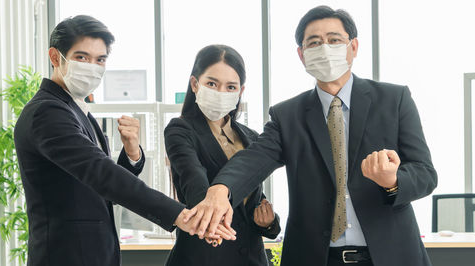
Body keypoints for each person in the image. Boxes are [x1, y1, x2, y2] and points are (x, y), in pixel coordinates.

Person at [186, 6, 438, 266]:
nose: (325, 48)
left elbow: (425, 173)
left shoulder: (394, 100)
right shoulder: (288, 115)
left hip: (390, 256)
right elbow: (254, 159)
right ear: (301, 54)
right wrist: (221, 189)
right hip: (315, 257)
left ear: (353, 47)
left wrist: (392, 181)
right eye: (314, 43)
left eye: (334, 40)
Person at [13, 15, 233, 266]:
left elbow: (100, 185)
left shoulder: (75, 109)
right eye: (82, 57)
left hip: (92, 253)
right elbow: (100, 172)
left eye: (100, 59)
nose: (92, 67)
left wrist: (132, 153)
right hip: (67, 255)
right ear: (55, 57)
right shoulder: (48, 112)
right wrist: (180, 214)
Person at [164, 44, 281, 266]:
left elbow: (254, 199)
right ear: (195, 84)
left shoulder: (252, 137)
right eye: (211, 84)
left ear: (240, 92)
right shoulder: (180, 130)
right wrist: (210, 205)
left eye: (230, 87)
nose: (220, 93)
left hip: (251, 258)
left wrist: (268, 223)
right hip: (204, 257)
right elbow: (193, 181)